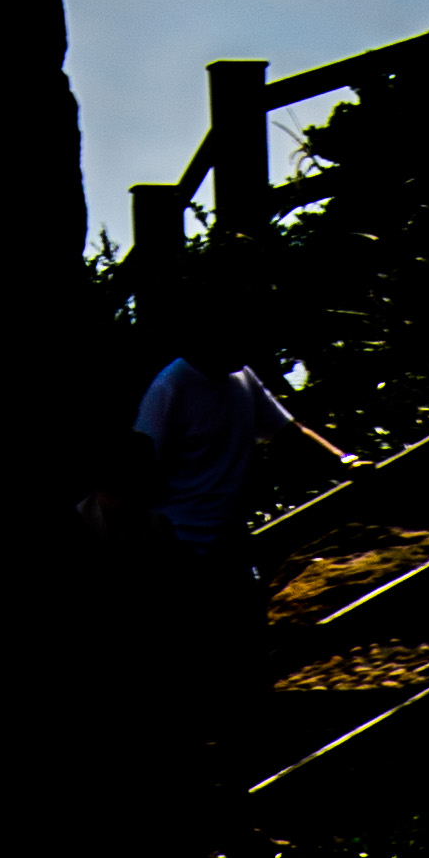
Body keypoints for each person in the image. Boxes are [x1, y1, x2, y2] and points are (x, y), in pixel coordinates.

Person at [110, 267, 359, 799]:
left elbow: (287, 431)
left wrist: (343, 460)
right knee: (193, 671)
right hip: (180, 551)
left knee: (240, 665)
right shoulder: (172, 386)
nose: (248, 340)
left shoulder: (242, 380)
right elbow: (141, 462)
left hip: (226, 548)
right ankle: (196, 788)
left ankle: (242, 784)